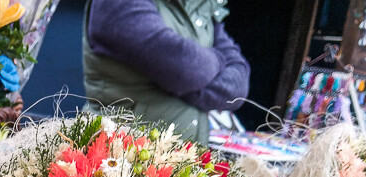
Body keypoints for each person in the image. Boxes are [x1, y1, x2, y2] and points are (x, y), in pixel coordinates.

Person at [82, 0, 250, 143]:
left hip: (186, 163)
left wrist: (176, 80)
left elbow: (238, 86)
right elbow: (189, 70)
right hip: (121, 161)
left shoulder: (199, 4)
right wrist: (218, 59)